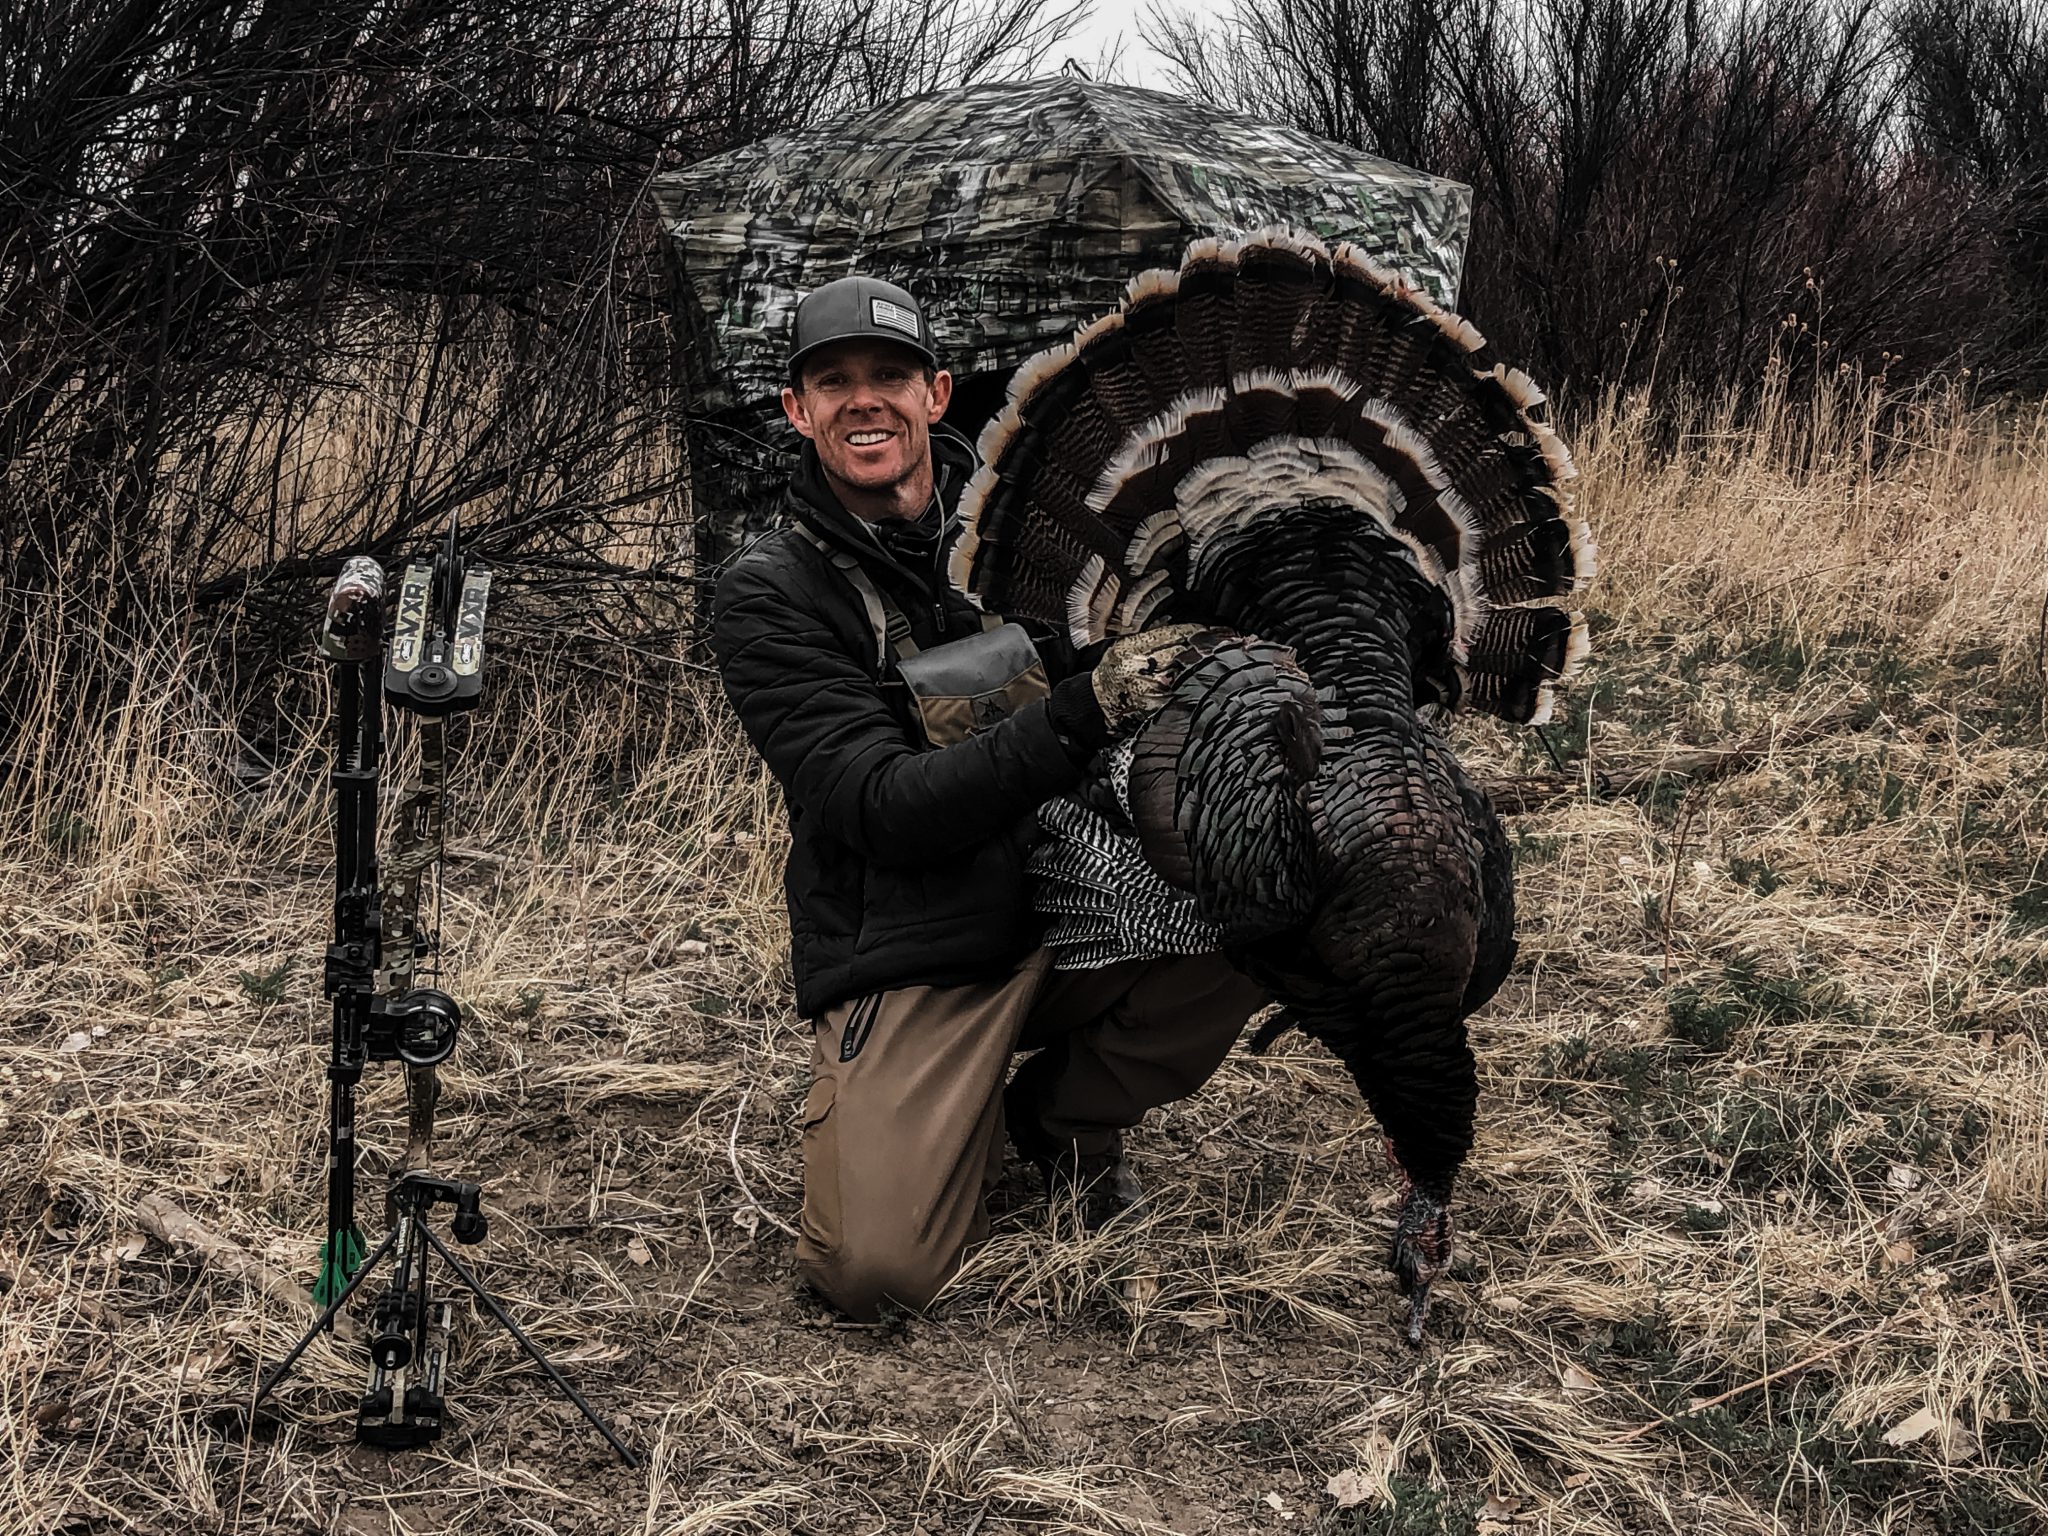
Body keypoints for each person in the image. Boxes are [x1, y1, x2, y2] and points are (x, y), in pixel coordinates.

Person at [709, 274, 1266, 1322]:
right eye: (832, 382)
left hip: (1069, 884)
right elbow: (875, 804)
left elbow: (1139, 641)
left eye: (888, 376)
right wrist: (1082, 709)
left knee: (1264, 876)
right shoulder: (771, 589)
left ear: (936, 393)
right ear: (797, 410)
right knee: (872, 1276)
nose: (861, 400)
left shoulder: (1028, 529)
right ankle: (909, 1096)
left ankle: (1065, 1117)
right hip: (917, 935)